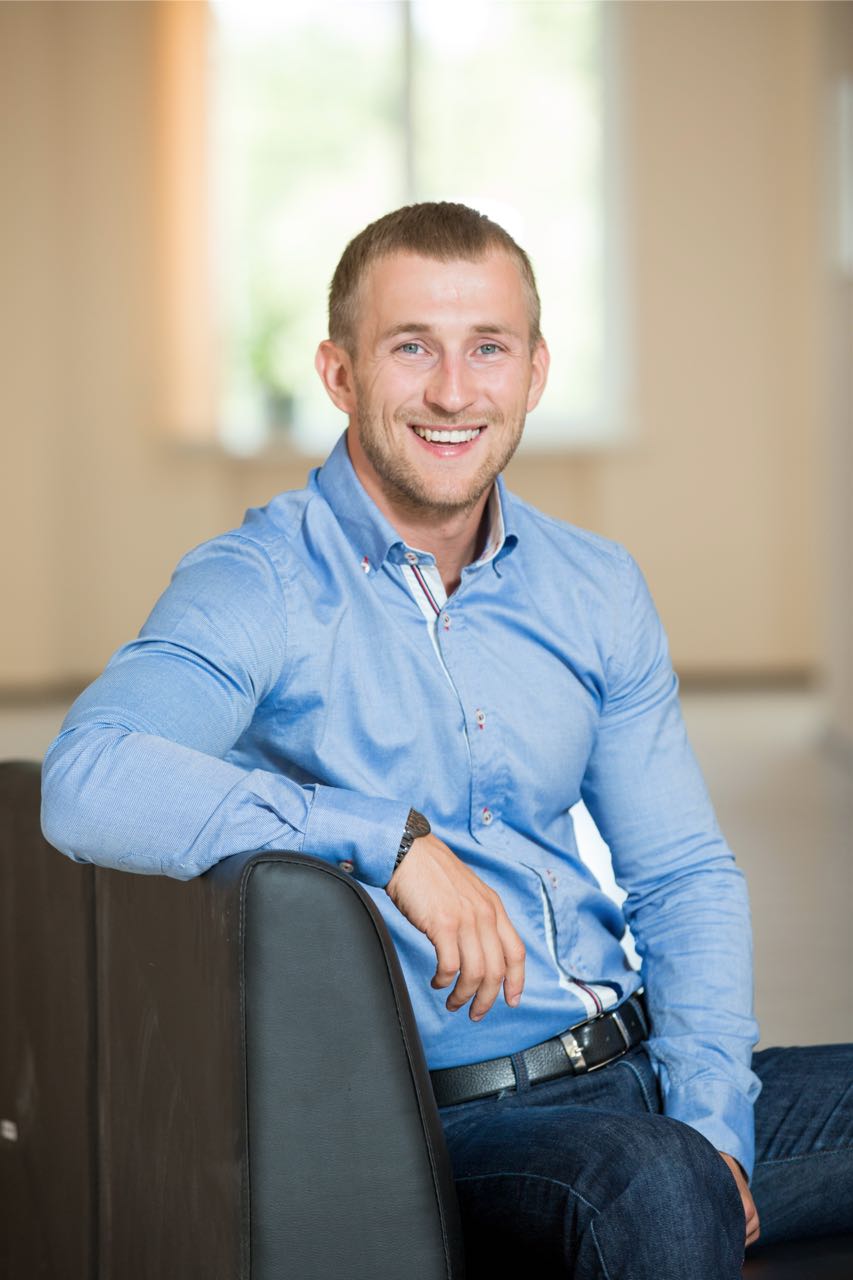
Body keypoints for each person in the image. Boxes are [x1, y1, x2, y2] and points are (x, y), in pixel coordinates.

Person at [41, 202, 852, 1279]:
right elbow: (87, 776)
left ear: (535, 371)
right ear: (339, 374)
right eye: (411, 347)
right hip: (445, 1127)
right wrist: (388, 839)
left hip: (634, 1072)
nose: (454, 392)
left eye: (488, 348)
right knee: (653, 1181)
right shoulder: (258, 583)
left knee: (673, 1166)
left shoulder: (593, 584)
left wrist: (714, 1127)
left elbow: (682, 874)